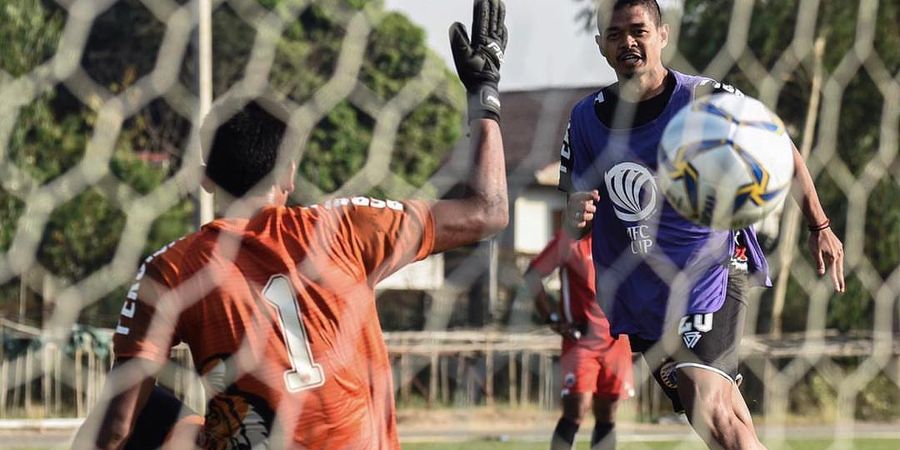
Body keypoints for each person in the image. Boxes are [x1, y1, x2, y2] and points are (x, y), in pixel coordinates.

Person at [72, 0, 508, 448]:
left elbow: (116, 432)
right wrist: (485, 94)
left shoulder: (172, 271)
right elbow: (488, 210)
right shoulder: (345, 229)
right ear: (290, 174)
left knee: (145, 411)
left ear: (204, 179)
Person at [558, 1, 845, 449]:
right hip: (643, 297)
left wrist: (819, 225)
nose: (628, 42)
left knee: (707, 407)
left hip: (707, 274)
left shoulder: (702, 99)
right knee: (726, 419)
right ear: (601, 46)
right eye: (615, 34)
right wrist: (576, 217)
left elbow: (778, 146)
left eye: (639, 30)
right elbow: (576, 214)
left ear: (663, 35)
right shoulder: (583, 120)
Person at [523, 230, 634, 450]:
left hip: (617, 339)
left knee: (608, 412)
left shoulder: (622, 238)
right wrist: (551, 317)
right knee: (576, 408)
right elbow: (532, 275)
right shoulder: (570, 241)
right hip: (581, 340)